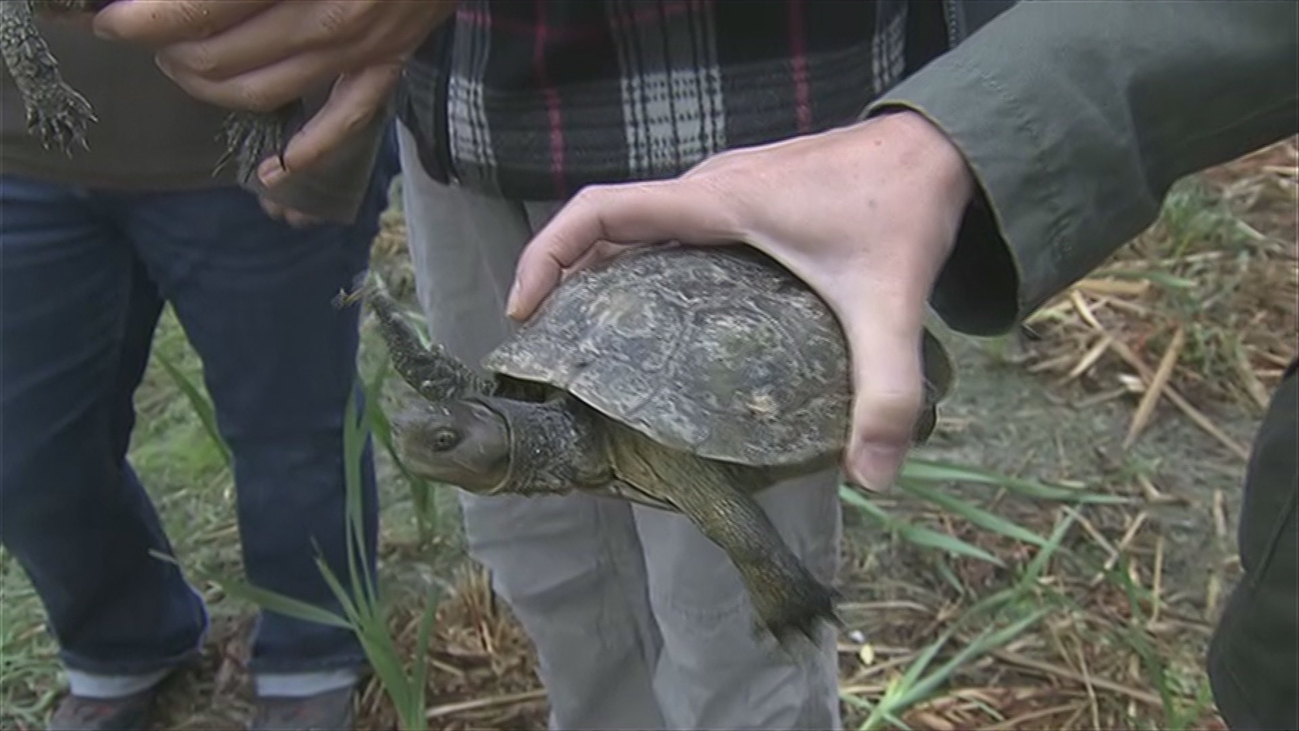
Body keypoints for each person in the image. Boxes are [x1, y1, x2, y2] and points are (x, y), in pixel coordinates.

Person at [89, 0, 1298, 729]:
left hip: (739, 125)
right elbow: (465, 406)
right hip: (471, 122)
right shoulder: (512, 407)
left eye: (453, 436)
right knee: (546, 567)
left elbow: (733, 529)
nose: (440, 438)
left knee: (730, 623)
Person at [0, 15, 397, 731]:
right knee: (26, 450)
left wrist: (325, 132)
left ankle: (310, 657)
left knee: (292, 434)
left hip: (253, 129)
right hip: (20, 149)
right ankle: (120, 640)